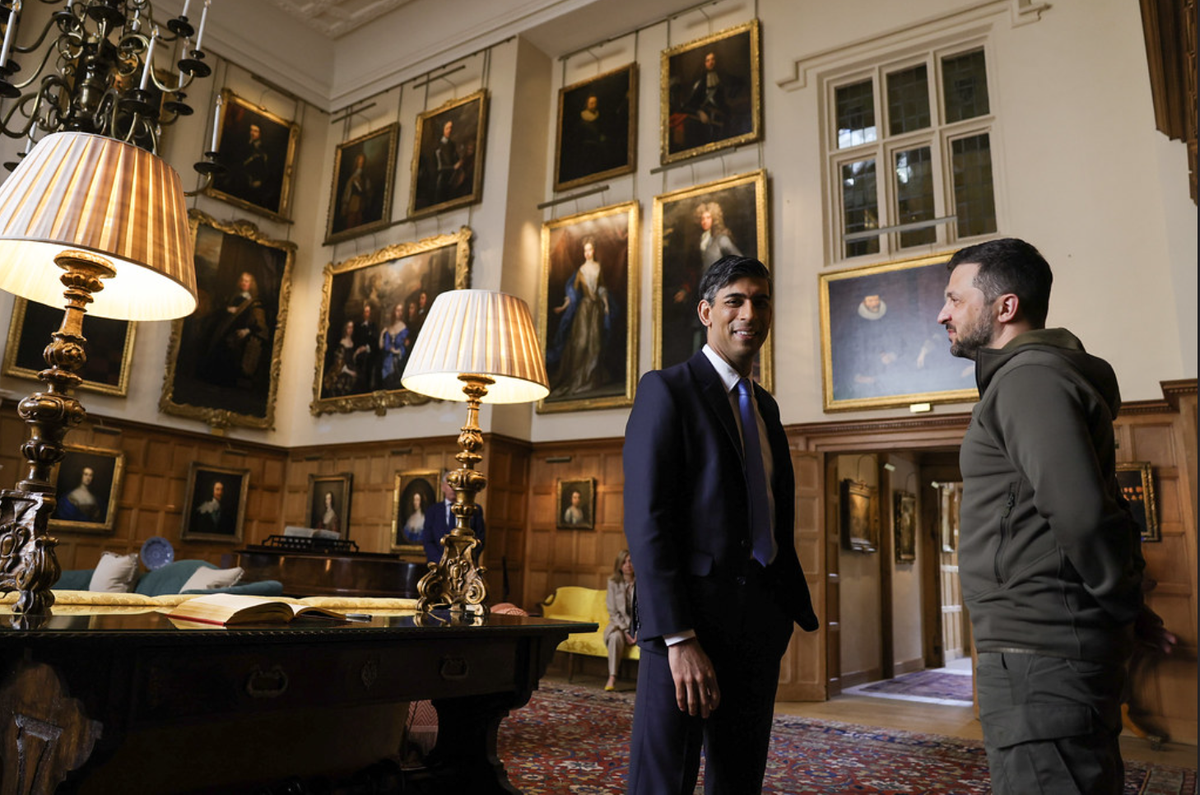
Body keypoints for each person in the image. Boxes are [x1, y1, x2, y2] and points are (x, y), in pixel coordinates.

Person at [937, 237, 1175, 794]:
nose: (943, 313)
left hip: (1041, 653)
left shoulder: (1029, 380)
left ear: (1005, 307)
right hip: (1043, 645)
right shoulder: (1027, 379)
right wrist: (1128, 605)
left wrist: (1121, 605)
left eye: (954, 298)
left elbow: (1084, 515)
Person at [623, 254, 818, 794]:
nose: (749, 312)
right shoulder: (667, 390)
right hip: (687, 627)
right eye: (735, 300)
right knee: (663, 781)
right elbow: (647, 523)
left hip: (759, 626)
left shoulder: (767, 408)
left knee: (739, 780)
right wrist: (678, 637)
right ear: (707, 312)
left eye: (760, 300)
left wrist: (777, 614)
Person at [666, 202, 741, 367]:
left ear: (714, 219)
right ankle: (698, 367)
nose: (704, 221)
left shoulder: (721, 239)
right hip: (701, 293)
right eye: (702, 218)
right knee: (698, 328)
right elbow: (695, 271)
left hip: (719, 293)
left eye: (708, 217)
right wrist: (685, 290)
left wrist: (725, 283)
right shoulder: (701, 241)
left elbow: (739, 261)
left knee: (716, 330)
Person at [548, 237, 610, 397]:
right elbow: (572, 294)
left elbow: (602, 287)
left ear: (593, 251)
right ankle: (577, 379)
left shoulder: (598, 267)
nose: (587, 253)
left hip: (596, 309)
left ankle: (590, 379)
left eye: (589, 250)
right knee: (581, 344)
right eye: (585, 250)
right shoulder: (581, 270)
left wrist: (606, 305)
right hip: (584, 309)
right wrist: (562, 307)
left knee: (595, 344)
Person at [200, 270, 270, 390]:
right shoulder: (234, 296)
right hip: (225, 331)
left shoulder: (254, 302)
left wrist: (247, 330)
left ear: (251, 284)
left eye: (247, 281)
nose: (243, 282)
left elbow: (259, 324)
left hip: (239, 336)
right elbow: (221, 312)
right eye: (242, 280)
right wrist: (228, 309)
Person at [421, 473, 485, 565]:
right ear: (443, 487)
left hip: (466, 565)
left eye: (456, 484)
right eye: (450, 484)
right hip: (438, 565)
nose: (453, 488)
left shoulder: (474, 509)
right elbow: (428, 541)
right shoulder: (432, 511)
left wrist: (465, 559)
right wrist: (443, 561)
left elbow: (480, 539)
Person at [603, 549, 636, 691]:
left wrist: (637, 632)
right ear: (619, 565)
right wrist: (627, 630)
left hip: (640, 626)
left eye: (630, 561)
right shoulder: (613, 583)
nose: (627, 565)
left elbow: (646, 611)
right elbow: (613, 612)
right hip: (619, 625)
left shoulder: (643, 583)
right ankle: (612, 677)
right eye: (624, 562)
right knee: (615, 637)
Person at [323, 319, 359, 397]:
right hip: (343, 371)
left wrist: (357, 352)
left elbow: (351, 358)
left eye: (352, 327)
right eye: (348, 327)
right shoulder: (342, 343)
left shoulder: (352, 342)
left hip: (351, 369)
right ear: (345, 329)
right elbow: (339, 363)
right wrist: (350, 372)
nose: (350, 329)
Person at [379, 302, 410, 390]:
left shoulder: (403, 327)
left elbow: (404, 345)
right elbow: (382, 346)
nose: (399, 313)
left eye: (401, 310)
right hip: (388, 359)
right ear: (394, 312)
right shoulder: (389, 328)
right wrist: (382, 334)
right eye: (397, 310)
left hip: (398, 358)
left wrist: (397, 351)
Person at [339, 151, 373, 230]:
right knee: (351, 223)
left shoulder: (365, 178)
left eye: (362, 161)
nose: (361, 163)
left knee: (359, 223)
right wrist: (345, 205)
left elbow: (368, 191)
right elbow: (347, 192)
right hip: (353, 203)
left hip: (361, 204)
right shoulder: (352, 178)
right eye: (359, 161)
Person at [433, 119, 463, 205]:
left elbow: (456, 159)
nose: (450, 130)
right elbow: (439, 167)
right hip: (442, 182)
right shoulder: (439, 146)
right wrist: (454, 167)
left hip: (452, 180)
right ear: (443, 129)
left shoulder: (452, 145)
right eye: (447, 128)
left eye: (451, 128)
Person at [352, 303, 380, 393]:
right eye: (365, 312)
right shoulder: (357, 326)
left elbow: (375, 341)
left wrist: (367, 347)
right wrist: (359, 349)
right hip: (358, 352)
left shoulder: (373, 326)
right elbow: (355, 339)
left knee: (369, 366)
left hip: (370, 353)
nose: (366, 313)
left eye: (368, 312)